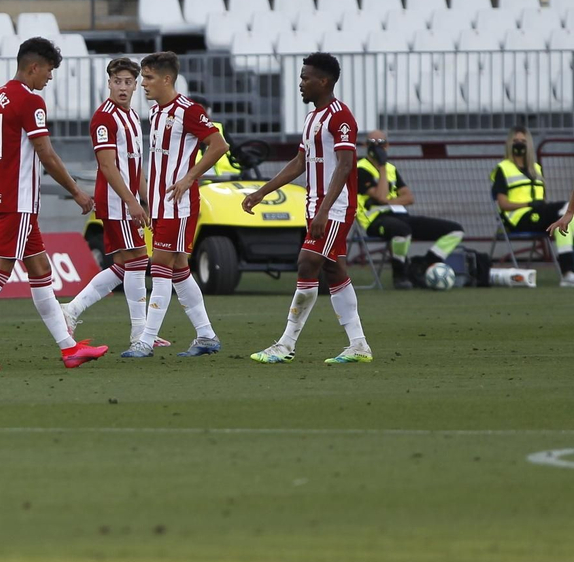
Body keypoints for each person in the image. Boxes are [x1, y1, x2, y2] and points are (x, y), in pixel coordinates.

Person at [0, 37, 108, 371]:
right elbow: (45, 153)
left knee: (41, 271)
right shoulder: (30, 100)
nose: (50, 77)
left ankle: (69, 349)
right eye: (48, 70)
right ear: (34, 67)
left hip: (7, 201)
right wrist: (76, 191)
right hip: (19, 202)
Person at [245, 53, 373, 365]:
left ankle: (286, 344)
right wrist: (262, 191)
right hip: (315, 205)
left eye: (306, 78)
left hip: (335, 207)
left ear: (323, 81)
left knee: (307, 263)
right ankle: (358, 345)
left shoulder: (341, 117)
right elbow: (299, 162)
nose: (300, 83)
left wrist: (324, 211)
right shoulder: (312, 118)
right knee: (334, 269)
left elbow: (345, 165)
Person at [121, 52, 229, 359]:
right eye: (143, 77)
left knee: (160, 266)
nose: (143, 84)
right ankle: (206, 335)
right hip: (160, 204)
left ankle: (145, 340)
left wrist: (189, 177)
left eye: (149, 77)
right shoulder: (156, 112)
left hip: (178, 205)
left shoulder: (188, 110)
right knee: (179, 269)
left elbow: (219, 145)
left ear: (167, 79)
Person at [60, 57, 158, 345]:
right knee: (138, 260)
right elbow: (107, 166)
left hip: (127, 201)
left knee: (124, 265)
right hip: (116, 202)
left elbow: (135, 164)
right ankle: (140, 333)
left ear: (136, 85)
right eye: (117, 82)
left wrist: (147, 198)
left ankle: (71, 310)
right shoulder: (104, 118)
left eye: (128, 82)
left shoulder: (132, 116)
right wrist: (131, 202)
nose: (122, 88)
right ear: (109, 84)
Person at [355, 129, 465, 289]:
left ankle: (424, 264)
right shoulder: (360, 169)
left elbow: (409, 198)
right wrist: (382, 167)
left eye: (381, 143)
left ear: (387, 146)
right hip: (374, 220)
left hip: (401, 216)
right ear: (365, 146)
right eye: (373, 144)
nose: (378, 147)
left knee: (455, 230)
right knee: (401, 230)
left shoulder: (392, 169)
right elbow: (380, 195)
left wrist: (388, 201)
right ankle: (399, 272)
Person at [492, 126, 574, 284]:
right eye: (515, 141)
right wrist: (529, 203)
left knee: (568, 220)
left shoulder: (536, 169)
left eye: (523, 141)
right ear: (509, 144)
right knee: (565, 210)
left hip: (537, 214)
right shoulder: (503, 169)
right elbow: (502, 204)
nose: (519, 144)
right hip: (517, 219)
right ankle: (568, 271)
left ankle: (569, 273)